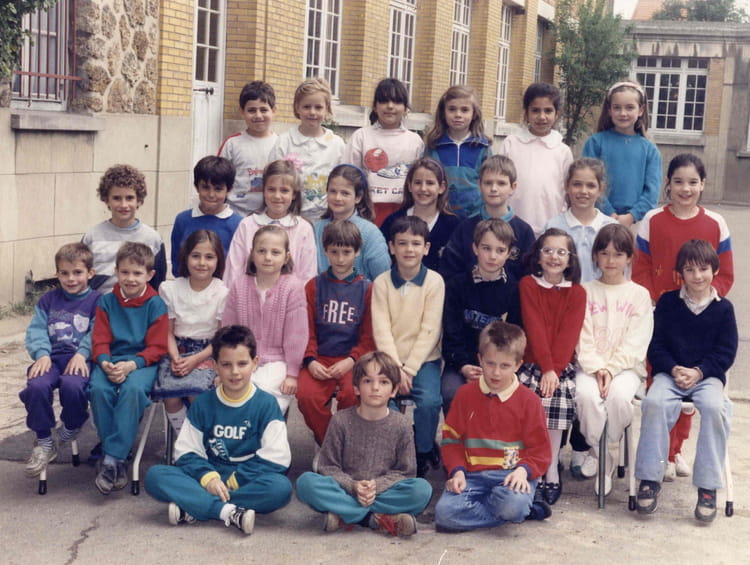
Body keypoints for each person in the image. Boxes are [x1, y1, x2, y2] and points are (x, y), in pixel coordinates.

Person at [633, 153, 734, 481]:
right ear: (668, 184)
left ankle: (675, 450)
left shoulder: (715, 223)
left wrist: (704, 301)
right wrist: (654, 302)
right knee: (662, 379)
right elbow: (641, 268)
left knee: (692, 381)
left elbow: (725, 274)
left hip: (699, 314)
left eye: (693, 182)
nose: (685, 189)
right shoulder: (652, 219)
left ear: (703, 184)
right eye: (678, 182)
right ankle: (659, 454)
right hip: (662, 313)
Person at [145, 325, 292, 535]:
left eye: (242, 364)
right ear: (215, 366)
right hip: (210, 472)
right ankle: (227, 511)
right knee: (155, 476)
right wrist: (209, 478)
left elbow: (277, 458)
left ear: (255, 363)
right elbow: (186, 452)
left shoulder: (267, 404)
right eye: (226, 364)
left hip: (246, 477)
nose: (235, 372)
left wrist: (236, 480)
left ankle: (195, 505)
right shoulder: (203, 403)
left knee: (280, 489)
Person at [635, 240, 737, 523]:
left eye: (703, 269)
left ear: (714, 270)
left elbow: (726, 352)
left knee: (716, 408)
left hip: (707, 377)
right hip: (671, 374)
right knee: (654, 402)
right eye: (690, 270)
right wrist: (673, 368)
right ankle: (649, 478)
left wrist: (700, 372)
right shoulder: (668, 303)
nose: (697, 276)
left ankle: (707, 486)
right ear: (680, 273)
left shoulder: (724, 309)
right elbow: (655, 345)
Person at [296, 351, 432, 537]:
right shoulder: (340, 420)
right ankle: (376, 519)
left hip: (383, 491)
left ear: (394, 390)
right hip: (346, 489)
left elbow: (405, 472)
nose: (375, 388)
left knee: (421, 490)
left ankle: (345, 514)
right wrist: (353, 486)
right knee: (306, 483)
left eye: (383, 382)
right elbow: (327, 466)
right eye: (368, 381)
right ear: (357, 388)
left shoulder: (402, 424)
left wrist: (376, 486)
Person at [435, 321, 552, 531]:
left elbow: (540, 451)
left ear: (518, 365)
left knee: (512, 505)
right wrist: (457, 471)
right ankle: (522, 512)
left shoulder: (529, 401)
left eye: (505, 366)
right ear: (479, 359)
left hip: (510, 476)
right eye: (490, 364)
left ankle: (514, 509)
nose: (496, 373)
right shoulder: (465, 395)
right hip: (471, 477)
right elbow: (451, 440)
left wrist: (523, 471)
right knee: (444, 514)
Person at [575, 224, 653, 497]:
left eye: (618, 254)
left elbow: (638, 341)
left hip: (625, 368)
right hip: (590, 366)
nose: (610, 260)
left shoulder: (639, 295)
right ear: (595, 255)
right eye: (604, 253)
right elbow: (581, 336)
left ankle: (605, 448)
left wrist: (611, 369)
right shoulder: (584, 291)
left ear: (629, 257)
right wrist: (597, 368)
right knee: (585, 396)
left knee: (619, 398)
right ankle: (602, 456)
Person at [88, 242, 168, 494]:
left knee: (132, 390)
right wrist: (104, 361)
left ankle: (112, 459)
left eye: (137, 273)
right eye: (125, 272)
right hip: (111, 359)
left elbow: (158, 346)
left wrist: (133, 364)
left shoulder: (156, 304)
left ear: (150, 275)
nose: (130, 278)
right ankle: (117, 455)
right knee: (98, 389)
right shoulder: (106, 302)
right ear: (116, 271)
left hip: (142, 361)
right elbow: (99, 339)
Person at [20, 243, 101, 477]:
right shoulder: (48, 300)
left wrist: (82, 353)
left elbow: (98, 332)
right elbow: (36, 330)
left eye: (77, 272)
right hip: (51, 358)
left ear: (90, 273)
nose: (71, 279)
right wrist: (42, 354)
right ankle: (44, 440)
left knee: (73, 386)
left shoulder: (97, 300)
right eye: (64, 273)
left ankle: (72, 425)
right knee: (36, 385)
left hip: (80, 358)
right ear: (57, 274)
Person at [371, 216, 444, 477]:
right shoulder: (381, 283)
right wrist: (395, 368)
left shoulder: (434, 282)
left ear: (426, 248)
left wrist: (410, 369)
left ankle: (423, 450)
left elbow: (430, 330)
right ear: (392, 247)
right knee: (381, 399)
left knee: (430, 401)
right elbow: (381, 329)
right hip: (388, 361)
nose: (409, 249)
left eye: (415, 243)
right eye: (402, 243)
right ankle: (394, 451)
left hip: (424, 361)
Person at [517, 228, 586, 505]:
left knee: (555, 397)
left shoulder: (577, 292)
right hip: (532, 363)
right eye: (548, 251)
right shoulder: (528, 285)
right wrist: (545, 368)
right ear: (538, 256)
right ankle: (530, 466)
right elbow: (534, 327)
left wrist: (554, 371)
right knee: (528, 400)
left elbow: (569, 335)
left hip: (560, 365)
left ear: (570, 259)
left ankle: (551, 467)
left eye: (561, 252)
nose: (554, 257)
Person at [297, 221, 375, 445]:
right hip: (319, 358)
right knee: (307, 396)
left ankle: (346, 443)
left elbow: (369, 337)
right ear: (325, 251)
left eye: (346, 252)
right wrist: (310, 360)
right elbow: (305, 330)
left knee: (353, 394)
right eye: (334, 252)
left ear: (357, 252)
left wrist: (352, 360)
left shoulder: (367, 289)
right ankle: (329, 444)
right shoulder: (313, 286)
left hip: (352, 360)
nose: (340, 259)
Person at [222, 225, 307, 414]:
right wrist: (225, 366)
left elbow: (296, 336)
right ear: (252, 254)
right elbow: (228, 331)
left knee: (263, 397)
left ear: (286, 257)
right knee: (236, 395)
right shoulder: (239, 286)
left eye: (275, 252)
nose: (268, 257)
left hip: (278, 362)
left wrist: (292, 374)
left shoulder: (293, 288)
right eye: (262, 251)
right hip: (243, 359)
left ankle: (264, 430)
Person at [441, 219, 521, 414]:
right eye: (486, 248)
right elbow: (452, 333)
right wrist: (463, 365)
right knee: (451, 391)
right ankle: (457, 433)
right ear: (475, 248)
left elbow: (515, 337)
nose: (492, 256)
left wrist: (493, 368)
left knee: (505, 397)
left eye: (500, 250)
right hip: (462, 362)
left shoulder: (514, 289)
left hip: (499, 365)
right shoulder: (457, 286)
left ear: (509, 253)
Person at [154, 230, 228, 436]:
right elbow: (167, 332)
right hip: (176, 350)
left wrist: (196, 359)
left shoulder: (222, 292)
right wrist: (176, 358)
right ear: (185, 257)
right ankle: (184, 439)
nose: (202, 263)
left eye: (209, 257)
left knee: (197, 394)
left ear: (218, 260)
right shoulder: (171, 289)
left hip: (208, 351)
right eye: (196, 256)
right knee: (171, 397)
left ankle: (200, 441)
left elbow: (221, 337)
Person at [440, 154, 535, 283]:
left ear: (513, 187)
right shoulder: (465, 228)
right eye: (488, 183)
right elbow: (450, 272)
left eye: (501, 183)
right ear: (479, 185)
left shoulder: (524, 231)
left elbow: (529, 278)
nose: (494, 189)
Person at [342, 78, 424, 225]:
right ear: (375, 106)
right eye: (384, 101)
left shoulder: (415, 141)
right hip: (367, 212)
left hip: (404, 212)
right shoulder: (361, 137)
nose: (390, 106)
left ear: (405, 108)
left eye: (396, 102)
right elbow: (347, 176)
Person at [224, 159, 317, 287]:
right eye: (271, 189)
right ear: (264, 191)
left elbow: (307, 275)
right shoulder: (247, 225)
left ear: (294, 194)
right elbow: (233, 271)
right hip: (249, 296)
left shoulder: (304, 229)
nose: (277, 196)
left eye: (284, 190)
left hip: (291, 297)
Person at [582, 81, 661, 228]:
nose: (623, 113)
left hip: (635, 223)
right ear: (609, 110)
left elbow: (652, 191)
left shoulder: (650, 150)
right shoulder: (595, 143)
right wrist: (610, 213)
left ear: (641, 110)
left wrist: (632, 216)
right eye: (617, 107)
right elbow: (588, 182)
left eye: (630, 107)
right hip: (598, 218)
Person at [500, 83, 574, 236]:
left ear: (557, 113)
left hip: (550, 228)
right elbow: (500, 182)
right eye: (535, 110)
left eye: (548, 111)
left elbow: (566, 191)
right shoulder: (511, 143)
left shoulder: (562, 151)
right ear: (526, 112)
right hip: (512, 227)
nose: (542, 117)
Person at [82, 164, 167, 294]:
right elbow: (82, 279)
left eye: (129, 198)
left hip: (139, 305)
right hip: (99, 304)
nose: (123, 205)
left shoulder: (152, 239)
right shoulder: (92, 237)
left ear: (139, 200)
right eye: (117, 198)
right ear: (106, 200)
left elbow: (157, 285)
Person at [270, 77, 344, 222]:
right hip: (290, 216)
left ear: (327, 109)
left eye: (318, 107)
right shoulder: (284, 142)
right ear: (297, 108)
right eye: (306, 107)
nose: (312, 112)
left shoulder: (337, 144)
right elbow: (273, 178)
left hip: (327, 218)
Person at [380, 157, 460, 272]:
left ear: (441, 187)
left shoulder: (453, 225)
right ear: (409, 186)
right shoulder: (392, 221)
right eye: (417, 182)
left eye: (430, 183)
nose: (423, 188)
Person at [313, 164, 390, 281]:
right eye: (333, 191)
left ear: (358, 197)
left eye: (345, 193)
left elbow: (383, 278)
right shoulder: (316, 229)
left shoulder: (371, 233)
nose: (337, 198)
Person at [424, 85, 491, 219]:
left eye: (465, 110)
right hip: (440, 215)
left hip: (476, 217)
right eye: (452, 109)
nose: (458, 115)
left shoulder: (483, 147)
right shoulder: (433, 146)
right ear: (443, 112)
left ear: (474, 114)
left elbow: (490, 182)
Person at [545, 158, 617, 283]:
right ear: (566, 186)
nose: (583, 191)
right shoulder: (553, 226)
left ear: (601, 189)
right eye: (577, 184)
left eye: (591, 186)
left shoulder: (612, 228)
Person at [170, 156, 242, 277]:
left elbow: (239, 266)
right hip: (187, 285)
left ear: (228, 190)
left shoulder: (239, 224)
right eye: (205, 187)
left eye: (218, 189)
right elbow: (177, 262)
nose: (211, 194)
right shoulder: (183, 220)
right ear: (196, 186)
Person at [218, 80, 278, 216]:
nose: (258, 115)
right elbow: (218, 179)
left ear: (274, 110)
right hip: (236, 215)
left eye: (263, 110)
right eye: (251, 110)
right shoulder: (232, 144)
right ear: (242, 112)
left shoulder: (281, 144)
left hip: (269, 217)